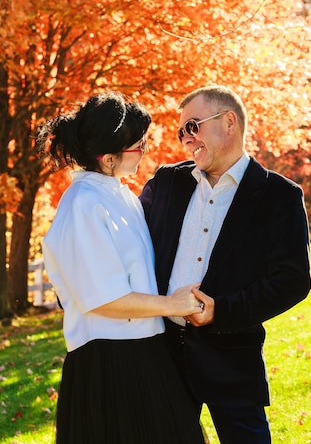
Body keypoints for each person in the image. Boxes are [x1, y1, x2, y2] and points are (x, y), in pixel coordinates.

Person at [140, 85, 311, 444]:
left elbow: (292, 280)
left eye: (193, 127)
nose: (186, 140)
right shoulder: (166, 183)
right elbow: (126, 244)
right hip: (161, 357)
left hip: (233, 359)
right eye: (180, 132)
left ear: (229, 122)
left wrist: (222, 311)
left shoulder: (280, 196)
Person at [36, 91, 205, 444]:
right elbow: (103, 299)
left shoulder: (123, 195)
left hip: (147, 351)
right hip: (108, 363)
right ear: (108, 158)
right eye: (138, 145)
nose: (146, 150)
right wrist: (173, 305)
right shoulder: (83, 205)